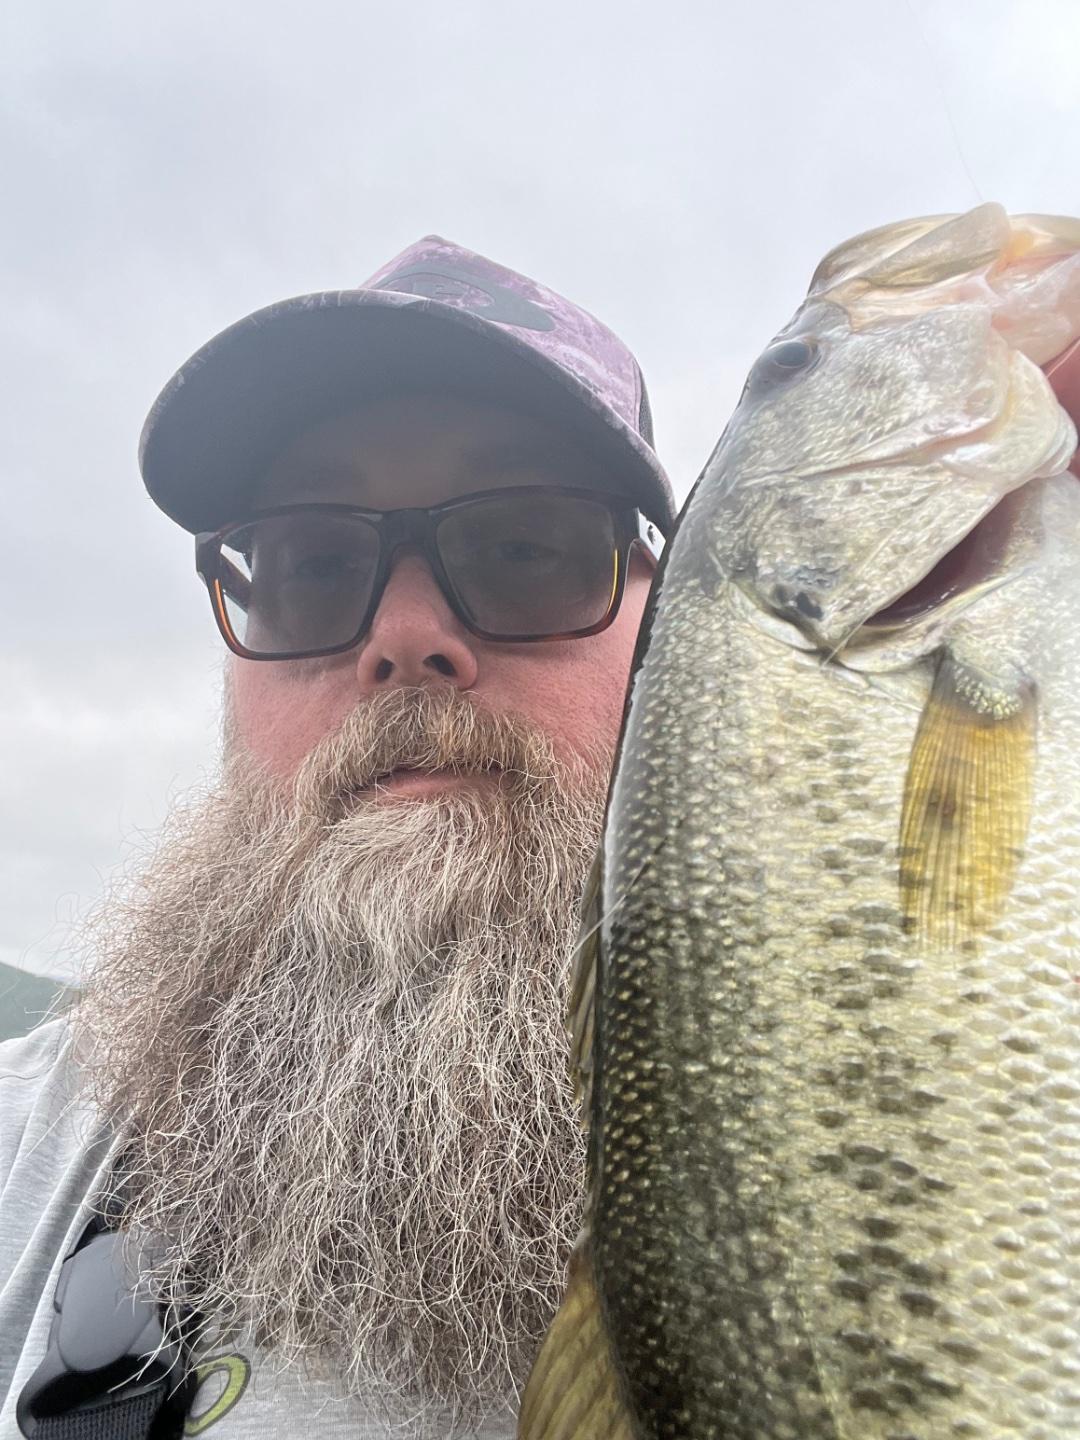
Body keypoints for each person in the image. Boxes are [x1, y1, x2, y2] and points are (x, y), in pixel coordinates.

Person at [0, 236, 675, 1439]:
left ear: (670, 626)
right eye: (312, 564)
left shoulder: (958, 1099)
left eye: (524, 549)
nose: (405, 636)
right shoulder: (30, 1152)